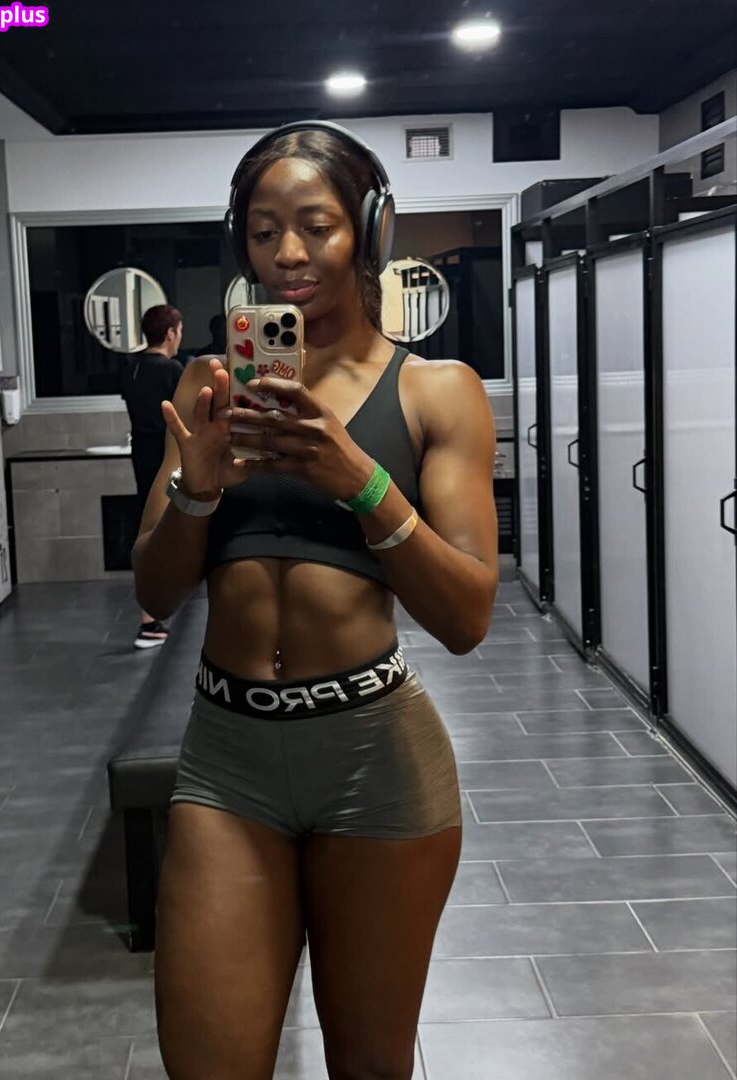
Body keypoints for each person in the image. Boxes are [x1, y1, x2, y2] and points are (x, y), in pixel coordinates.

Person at [132, 121, 498, 1080]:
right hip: (228, 758)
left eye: (315, 226)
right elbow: (154, 590)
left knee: (370, 1066)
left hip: (374, 754)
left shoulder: (437, 392)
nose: (287, 254)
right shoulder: (208, 383)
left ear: (369, 231)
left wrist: (358, 479)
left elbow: (466, 616)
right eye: (262, 232)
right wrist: (197, 490)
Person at [121, 303, 184, 648]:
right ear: (171, 332)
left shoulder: (131, 368)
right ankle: (150, 621)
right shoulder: (172, 370)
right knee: (165, 529)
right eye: (179, 330)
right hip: (165, 455)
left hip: (141, 453)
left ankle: (151, 614)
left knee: (146, 528)